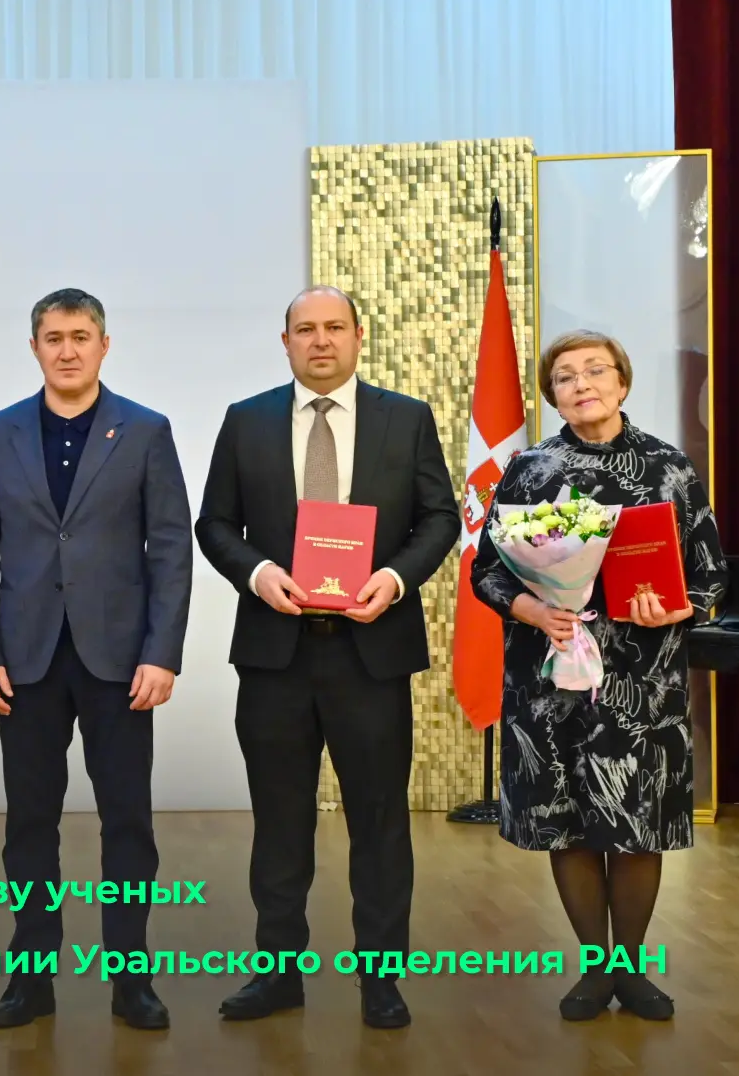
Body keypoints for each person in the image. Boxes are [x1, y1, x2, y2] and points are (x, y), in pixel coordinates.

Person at [194, 286, 458, 1029]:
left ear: (358, 336)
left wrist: (395, 578)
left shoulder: (406, 419)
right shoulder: (246, 420)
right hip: (275, 656)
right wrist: (256, 573)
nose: (320, 341)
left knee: (379, 823)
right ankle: (278, 973)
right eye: (305, 329)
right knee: (280, 823)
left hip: (370, 653)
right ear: (285, 342)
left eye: (334, 327)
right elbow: (214, 523)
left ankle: (382, 980)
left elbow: (440, 517)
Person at [470, 329, 727, 1022]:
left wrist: (676, 605)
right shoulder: (528, 470)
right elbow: (487, 571)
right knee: (570, 824)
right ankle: (593, 965)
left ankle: (630, 967)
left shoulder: (670, 468)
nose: (581, 384)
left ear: (622, 382)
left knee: (637, 823)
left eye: (595, 371)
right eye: (564, 377)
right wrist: (532, 608)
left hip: (642, 683)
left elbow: (710, 577)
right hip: (550, 678)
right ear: (552, 396)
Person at [0, 288, 193, 1031]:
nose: (67, 350)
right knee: (30, 824)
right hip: (23, 661)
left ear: (104, 345)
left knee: (128, 823)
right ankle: (32, 979)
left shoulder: (146, 431)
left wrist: (162, 652)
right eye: (54, 338)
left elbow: (172, 549)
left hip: (120, 662)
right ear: (34, 347)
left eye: (80, 336)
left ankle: (132, 978)